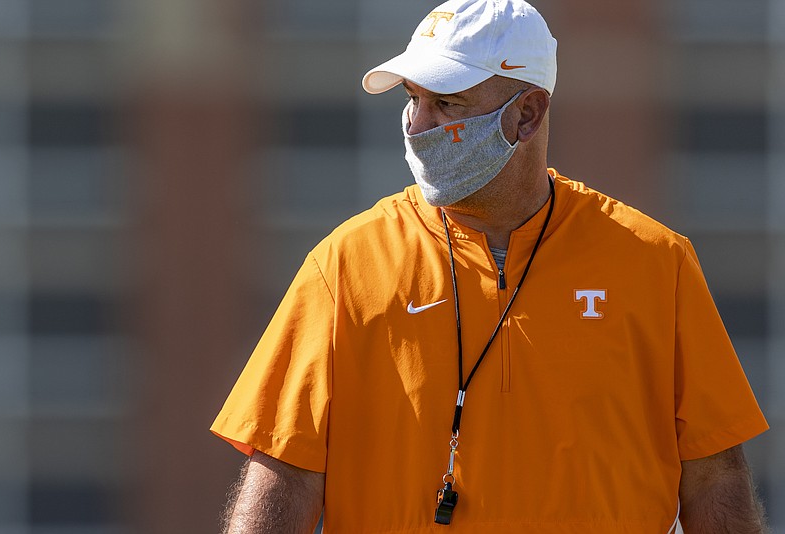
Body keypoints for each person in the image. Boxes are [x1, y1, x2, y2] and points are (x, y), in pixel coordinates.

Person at [211, 0, 770, 532]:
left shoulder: (655, 263)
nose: (419, 125)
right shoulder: (345, 265)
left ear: (529, 113)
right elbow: (283, 475)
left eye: (448, 103)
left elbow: (714, 479)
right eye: (414, 98)